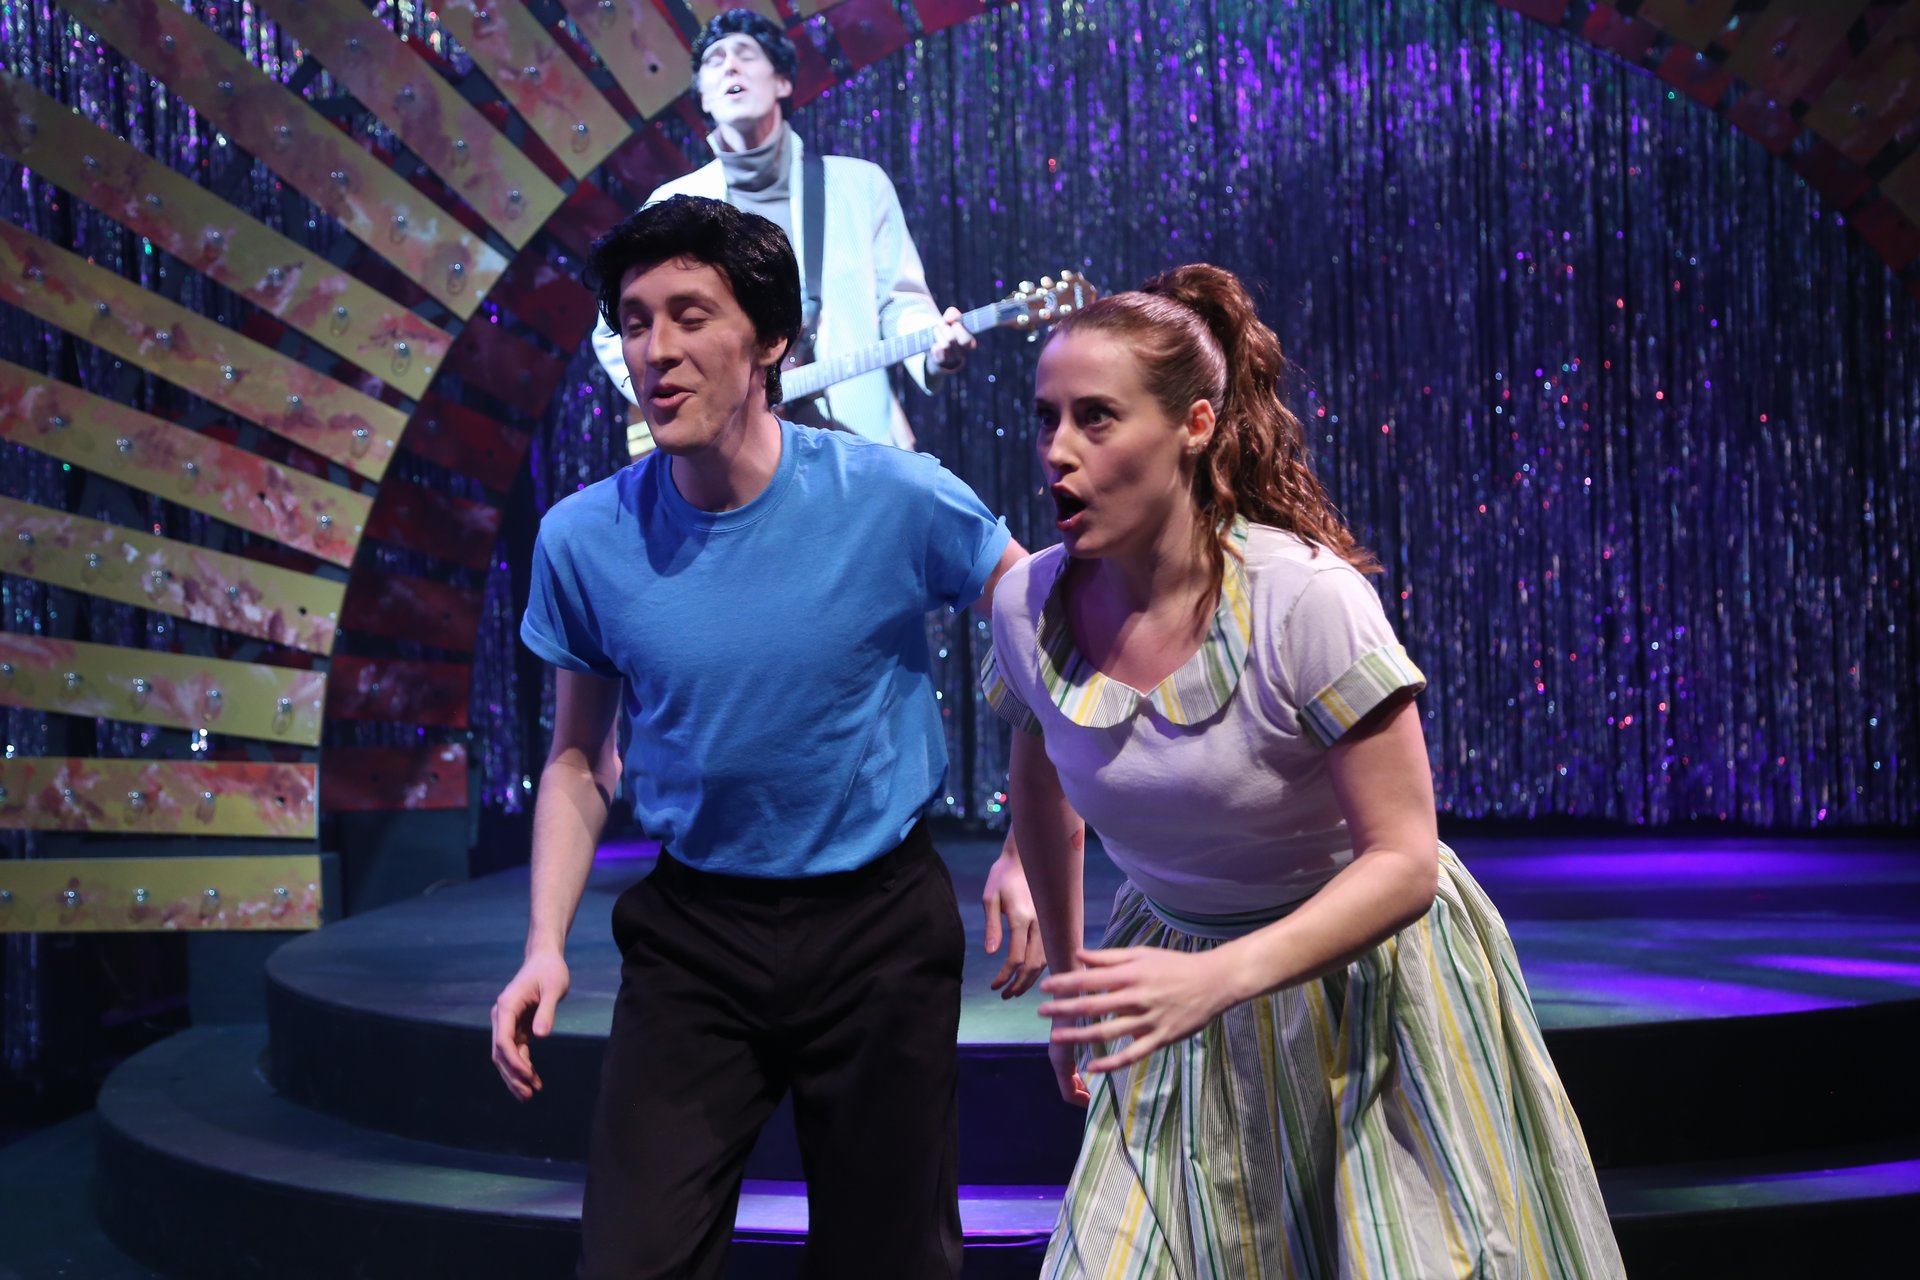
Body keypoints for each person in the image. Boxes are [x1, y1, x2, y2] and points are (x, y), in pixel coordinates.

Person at [981, 264, 1627, 1277]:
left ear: (1194, 426)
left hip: (1365, 990)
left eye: (1096, 418)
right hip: (1174, 984)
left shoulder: (1304, 600)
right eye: (1047, 418)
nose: (1058, 450)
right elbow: (1040, 772)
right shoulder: (1028, 606)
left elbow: (1404, 861)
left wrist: (1219, 977)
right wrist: (1071, 981)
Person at [490, 195, 1040, 1279]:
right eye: (634, 321)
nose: (656, 349)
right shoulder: (583, 537)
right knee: (632, 1260)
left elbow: (1044, 637)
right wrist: (543, 942)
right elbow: (578, 758)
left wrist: (1029, 848)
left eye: (690, 315)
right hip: (695, 937)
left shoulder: (893, 496)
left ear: (772, 340)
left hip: (878, 928)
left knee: (890, 1263)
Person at [591, 8, 972, 448]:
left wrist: (934, 351)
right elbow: (615, 329)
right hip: (731, 454)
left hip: (860, 444)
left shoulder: (860, 185)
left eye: (746, 54)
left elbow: (898, 302)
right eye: (715, 60)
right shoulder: (674, 202)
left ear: (783, 83)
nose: (730, 67)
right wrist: (679, 395)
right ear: (704, 98)